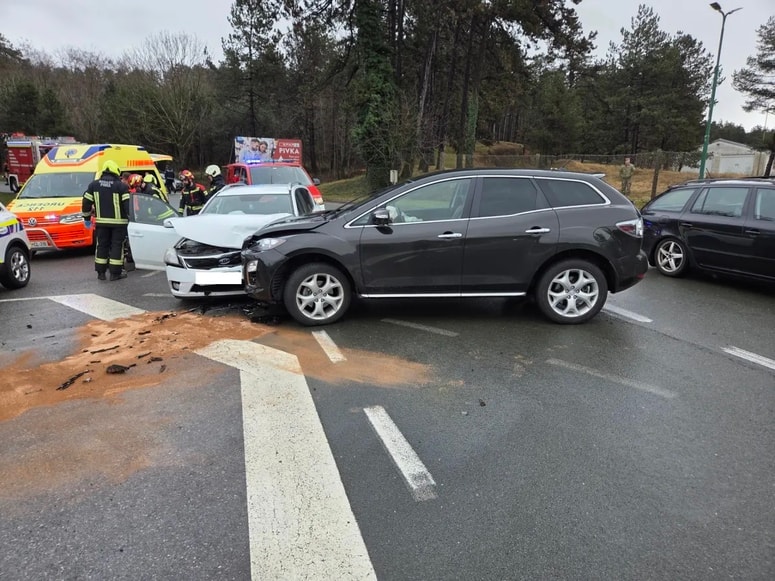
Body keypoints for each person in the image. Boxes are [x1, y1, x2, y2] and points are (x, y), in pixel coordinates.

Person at [82, 160, 130, 281]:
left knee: (101, 245)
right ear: (115, 171)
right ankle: (115, 273)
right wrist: (133, 219)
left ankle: (101, 273)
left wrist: (87, 218)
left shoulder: (94, 185)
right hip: (119, 224)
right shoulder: (121, 186)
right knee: (116, 246)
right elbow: (127, 205)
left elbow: (86, 202)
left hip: (101, 223)